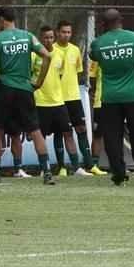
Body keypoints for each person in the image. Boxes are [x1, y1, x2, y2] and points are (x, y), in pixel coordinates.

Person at [0, 7, 56, 185]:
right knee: (35, 130)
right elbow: (47, 56)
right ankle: (47, 172)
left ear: (1, 19)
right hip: (25, 88)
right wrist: (39, 81)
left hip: (4, 88)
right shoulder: (27, 36)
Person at [89, 8, 134, 186]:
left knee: (112, 137)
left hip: (110, 97)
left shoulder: (98, 43)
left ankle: (119, 174)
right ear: (121, 20)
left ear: (103, 24)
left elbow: (94, 57)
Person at [32, 25, 88, 176]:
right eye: (45, 38)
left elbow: (61, 75)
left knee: (68, 133)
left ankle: (76, 167)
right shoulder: (34, 55)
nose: (49, 40)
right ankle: (44, 168)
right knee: (41, 136)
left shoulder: (59, 54)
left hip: (58, 102)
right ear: (41, 38)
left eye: (51, 37)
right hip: (41, 102)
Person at [55, 20, 96, 175]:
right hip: (58, 98)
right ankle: (63, 167)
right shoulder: (51, 50)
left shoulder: (75, 50)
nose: (66, 35)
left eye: (69, 32)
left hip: (74, 97)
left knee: (81, 129)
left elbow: (78, 72)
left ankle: (89, 165)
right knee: (62, 131)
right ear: (57, 32)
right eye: (63, 32)